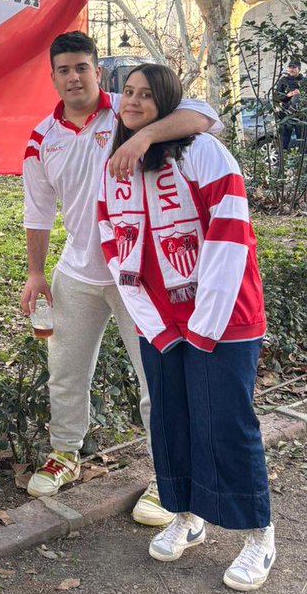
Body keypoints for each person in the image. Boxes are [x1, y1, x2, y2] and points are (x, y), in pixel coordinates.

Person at [20, 32, 222, 524]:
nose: (74, 77)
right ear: (52, 77)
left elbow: (206, 117)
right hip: (78, 272)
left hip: (139, 276)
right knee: (65, 373)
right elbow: (39, 211)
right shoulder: (41, 137)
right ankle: (64, 452)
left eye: (82, 67)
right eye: (64, 69)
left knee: (156, 378)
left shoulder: (128, 113)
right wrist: (34, 272)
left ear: (97, 71)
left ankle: (168, 476)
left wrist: (147, 136)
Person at [98, 64, 274, 590]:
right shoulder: (118, 165)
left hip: (225, 317)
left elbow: (230, 237)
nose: (133, 102)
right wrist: (154, 322)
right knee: (171, 420)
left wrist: (206, 323)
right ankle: (187, 515)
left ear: (167, 104)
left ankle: (259, 534)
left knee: (226, 423)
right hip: (163, 322)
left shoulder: (203, 153)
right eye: (127, 92)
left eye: (147, 96)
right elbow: (116, 244)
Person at [273, 57, 307, 151]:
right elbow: (276, 97)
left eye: (294, 67)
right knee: (283, 142)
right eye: (290, 67)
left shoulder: (306, 81)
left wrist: (303, 94)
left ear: (299, 69)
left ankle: (302, 162)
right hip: (286, 115)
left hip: (301, 115)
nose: (291, 69)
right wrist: (287, 95)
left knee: (302, 143)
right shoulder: (283, 80)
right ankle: (281, 163)